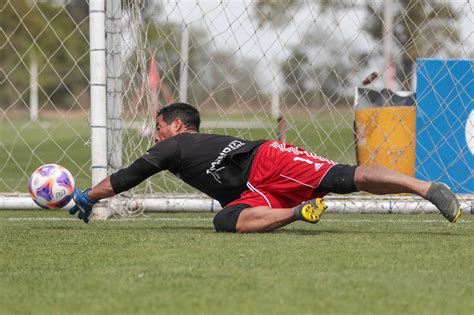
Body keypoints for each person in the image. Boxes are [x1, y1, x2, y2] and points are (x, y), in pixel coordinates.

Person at [70, 102, 462, 232]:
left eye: (158, 129)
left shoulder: (174, 144)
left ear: (176, 126)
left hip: (267, 163)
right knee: (225, 222)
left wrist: (87, 195)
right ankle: (297, 213)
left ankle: (428, 188)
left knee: (345, 178)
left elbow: (126, 178)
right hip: (251, 193)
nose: (155, 137)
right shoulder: (184, 146)